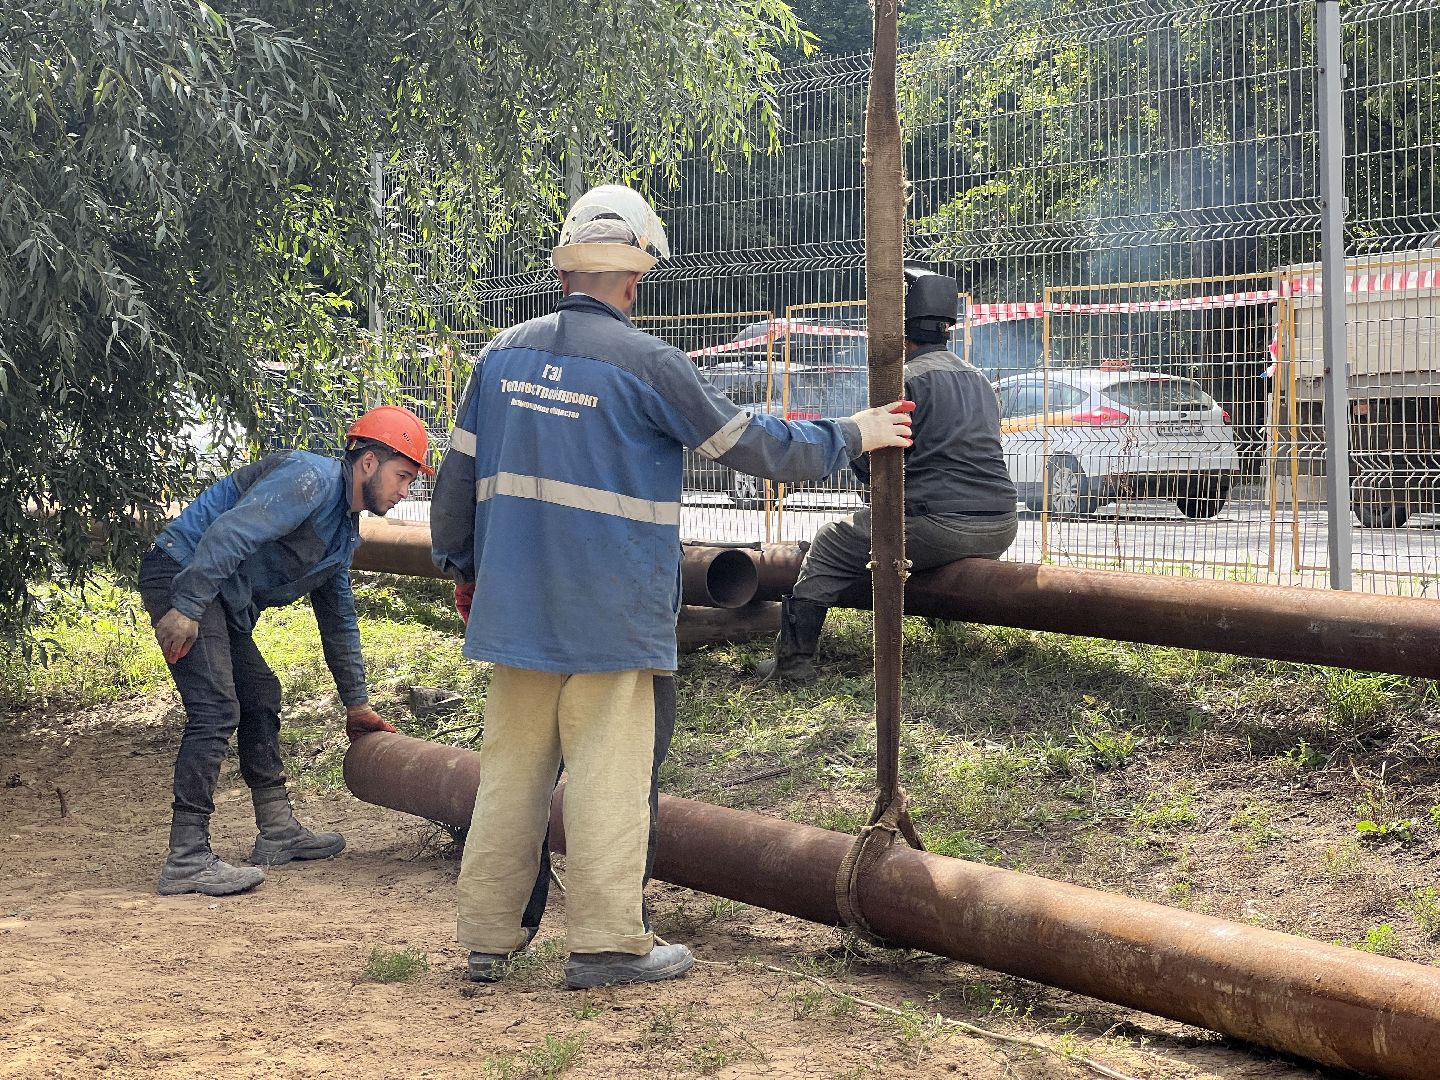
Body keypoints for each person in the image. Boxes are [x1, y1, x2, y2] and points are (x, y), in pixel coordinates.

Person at [430, 183, 914, 990]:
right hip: (613, 618)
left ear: (564, 275)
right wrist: (854, 433)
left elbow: (456, 488)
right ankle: (608, 945)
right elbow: (752, 445)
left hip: (516, 610)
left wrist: (463, 572)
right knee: (609, 779)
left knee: (510, 776)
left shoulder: (498, 357)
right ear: (636, 278)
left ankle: (486, 938)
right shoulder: (649, 365)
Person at [139, 406, 432, 897]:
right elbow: (230, 532)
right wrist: (186, 606)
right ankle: (186, 857)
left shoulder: (342, 536)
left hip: (212, 596)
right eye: (402, 476)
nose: (406, 491)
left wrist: (356, 705)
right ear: (367, 464)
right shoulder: (310, 478)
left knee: (260, 695)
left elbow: (338, 620)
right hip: (183, 576)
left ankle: (277, 831)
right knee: (214, 708)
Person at [756, 266, 1019, 685]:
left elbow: (878, 461)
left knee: (829, 541)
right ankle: (947, 628)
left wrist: (848, 450)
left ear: (897, 324)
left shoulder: (903, 380)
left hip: (940, 525)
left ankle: (792, 664)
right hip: (1001, 525)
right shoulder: (979, 379)